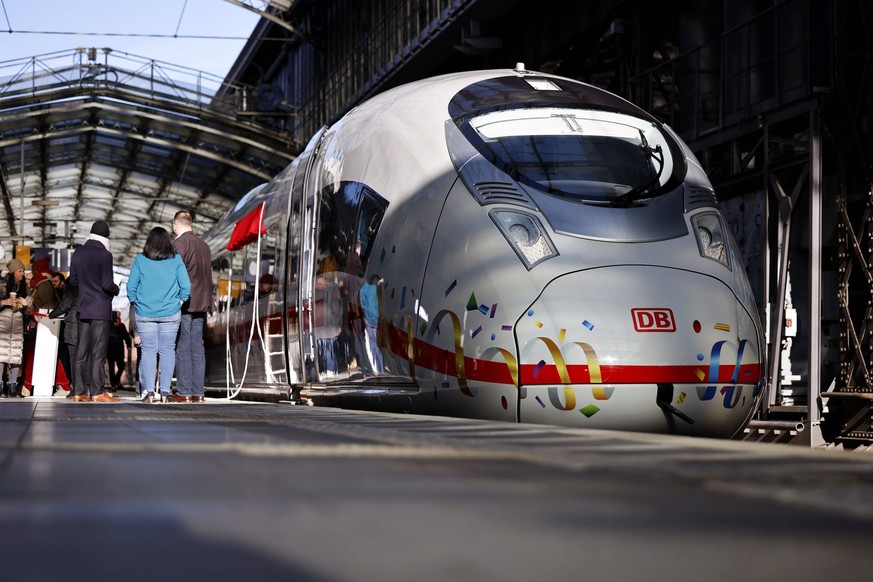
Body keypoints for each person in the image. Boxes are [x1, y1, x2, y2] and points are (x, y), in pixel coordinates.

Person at [128, 226, 190, 403]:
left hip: (145, 312)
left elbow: (131, 287)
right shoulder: (176, 260)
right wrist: (179, 302)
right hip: (170, 313)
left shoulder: (140, 260)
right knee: (167, 350)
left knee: (148, 351)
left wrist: (137, 302)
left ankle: (148, 392)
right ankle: (164, 392)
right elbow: (185, 286)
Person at [68, 220, 120, 403]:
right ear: (105, 237)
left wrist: (84, 291)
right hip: (100, 308)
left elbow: (72, 281)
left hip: (83, 307)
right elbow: (107, 284)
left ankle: (78, 392)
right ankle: (97, 392)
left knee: (80, 352)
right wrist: (116, 289)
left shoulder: (78, 252)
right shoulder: (105, 255)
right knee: (98, 352)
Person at [172, 210, 212, 403]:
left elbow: (174, 275)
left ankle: (184, 392)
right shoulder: (204, 246)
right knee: (197, 349)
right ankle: (198, 393)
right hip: (202, 304)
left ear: (175, 224)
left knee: (183, 347)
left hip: (185, 304)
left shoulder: (179, 244)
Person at [0, 259, 32, 397]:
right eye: (20, 271)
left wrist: (27, 302)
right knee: (1, 354)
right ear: (13, 272)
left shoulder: (25, 286)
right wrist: (4, 302)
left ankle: (12, 385)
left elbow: (31, 301)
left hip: (18, 322)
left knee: (16, 354)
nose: (22, 273)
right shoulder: (2, 285)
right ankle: (0, 385)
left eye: (23, 271)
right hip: (3, 322)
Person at [49, 277, 78, 398]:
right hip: (85, 326)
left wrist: (51, 314)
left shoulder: (71, 285)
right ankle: (84, 387)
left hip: (73, 326)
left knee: (73, 358)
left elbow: (64, 305)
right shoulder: (88, 284)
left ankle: (76, 389)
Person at [359, 273, 384, 375]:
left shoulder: (363, 289)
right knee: (378, 345)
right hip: (377, 320)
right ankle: (382, 369)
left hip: (368, 320)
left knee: (372, 345)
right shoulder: (377, 289)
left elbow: (362, 304)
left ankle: (376, 369)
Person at [106, 311, 131, 391]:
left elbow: (126, 336)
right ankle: (113, 384)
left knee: (121, 367)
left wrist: (129, 345)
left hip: (119, 350)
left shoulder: (121, 326)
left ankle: (116, 380)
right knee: (111, 368)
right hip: (110, 350)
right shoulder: (108, 326)